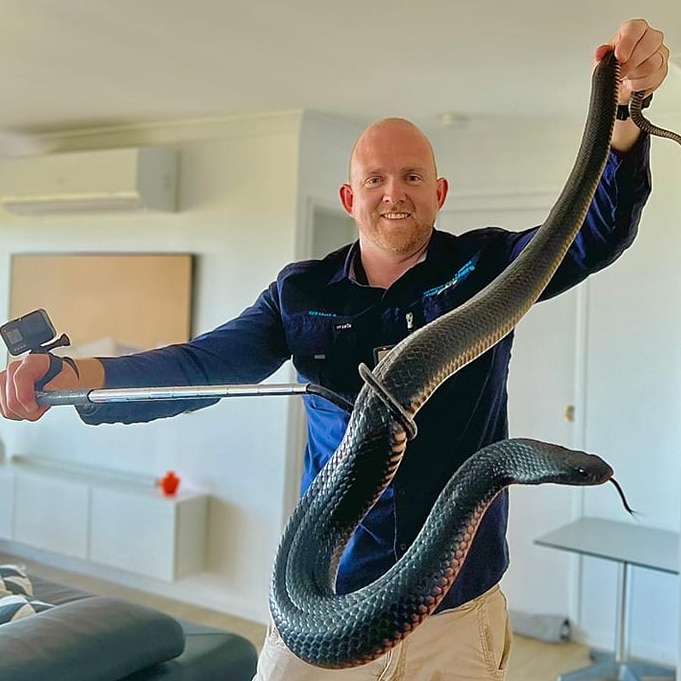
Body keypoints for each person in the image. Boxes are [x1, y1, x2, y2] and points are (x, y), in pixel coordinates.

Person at [0, 17, 671, 681]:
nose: (393, 193)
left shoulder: (489, 265)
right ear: (351, 197)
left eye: (412, 177)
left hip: (457, 610)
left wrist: (625, 112)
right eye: (376, 179)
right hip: (324, 605)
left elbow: (597, 232)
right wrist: (73, 373)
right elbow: (205, 365)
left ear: (437, 194)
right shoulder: (300, 293)